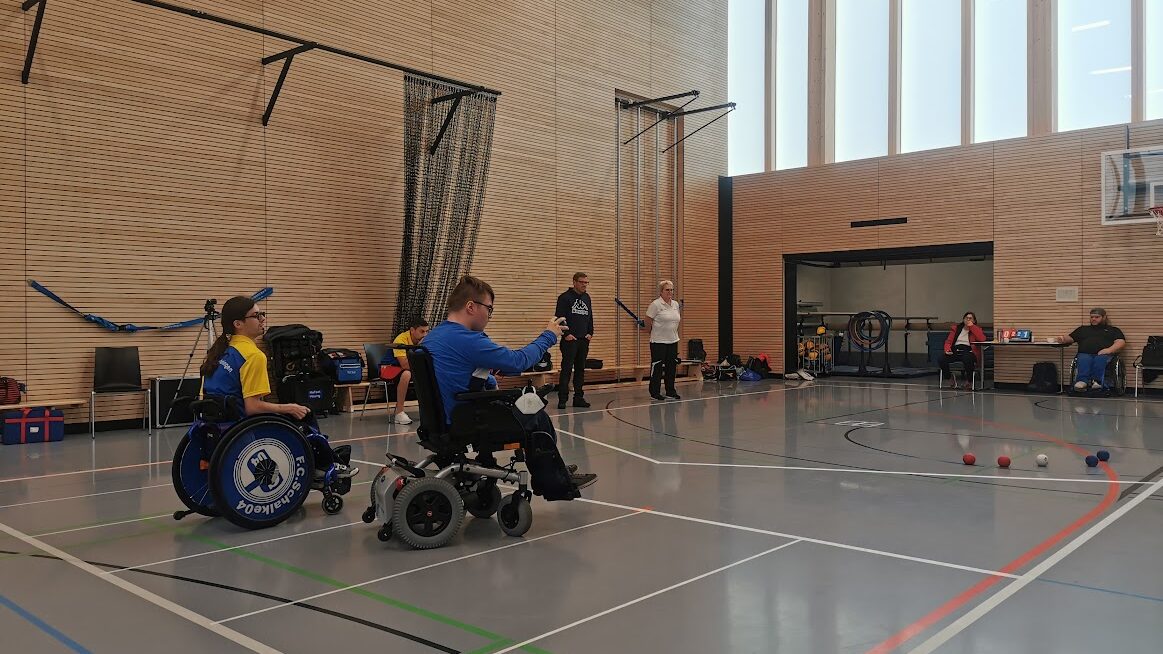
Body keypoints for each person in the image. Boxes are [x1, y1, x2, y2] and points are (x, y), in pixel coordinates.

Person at [421, 275, 597, 493]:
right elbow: (518, 362)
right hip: (465, 417)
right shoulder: (467, 339)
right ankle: (552, 480)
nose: (489, 316)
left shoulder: (433, 336)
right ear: (470, 307)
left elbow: (458, 368)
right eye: (489, 309)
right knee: (535, 414)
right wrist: (549, 336)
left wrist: (488, 370)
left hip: (444, 418)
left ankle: (554, 468)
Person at [200, 296, 356, 478]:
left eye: (262, 314)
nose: (263, 319)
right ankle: (321, 466)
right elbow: (252, 407)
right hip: (241, 424)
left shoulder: (220, 351)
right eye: (256, 315)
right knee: (304, 414)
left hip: (218, 421)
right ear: (238, 324)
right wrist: (289, 407)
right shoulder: (253, 355)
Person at [1056, 308, 1126, 392]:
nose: (1093, 319)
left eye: (1097, 317)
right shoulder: (1083, 329)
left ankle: (1097, 382)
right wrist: (1063, 339)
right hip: (1085, 354)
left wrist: (1109, 350)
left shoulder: (1113, 330)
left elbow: (1120, 342)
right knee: (1083, 357)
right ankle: (1082, 381)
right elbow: (1071, 338)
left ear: (1104, 317)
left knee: (1100, 358)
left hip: (1104, 354)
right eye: (1092, 317)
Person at [379, 319, 430, 424]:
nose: (425, 335)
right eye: (422, 331)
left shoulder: (425, 340)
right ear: (412, 330)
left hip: (403, 368)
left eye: (427, 331)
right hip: (387, 368)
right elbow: (405, 365)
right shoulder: (401, 339)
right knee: (407, 373)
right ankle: (399, 412)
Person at [554, 272, 593, 409]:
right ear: (574, 282)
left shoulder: (587, 298)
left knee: (580, 369)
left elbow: (590, 317)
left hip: (583, 339)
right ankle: (562, 399)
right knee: (566, 369)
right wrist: (567, 334)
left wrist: (590, 333)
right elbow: (560, 317)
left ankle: (579, 397)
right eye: (582, 282)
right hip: (570, 340)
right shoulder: (564, 298)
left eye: (586, 282)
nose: (584, 285)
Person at [644, 280, 681, 401]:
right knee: (658, 368)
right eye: (667, 290)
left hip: (673, 340)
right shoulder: (655, 305)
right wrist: (652, 332)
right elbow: (647, 322)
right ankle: (655, 392)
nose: (670, 292)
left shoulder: (675, 304)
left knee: (671, 367)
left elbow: (675, 320)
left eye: (671, 290)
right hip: (658, 342)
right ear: (661, 292)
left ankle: (670, 391)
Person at [939, 311, 986, 390]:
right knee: (941, 359)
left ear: (974, 321)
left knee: (967, 358)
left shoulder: (976, 329)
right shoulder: (956, 329)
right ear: (963, 319)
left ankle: (969, 380)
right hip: (955, 350)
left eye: (970, 318)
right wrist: (947, 349)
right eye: (966, 318)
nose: (968, 320)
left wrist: (972, 327)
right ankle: (949, 377)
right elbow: (948, 342)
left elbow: (982, 339)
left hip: (969, 351)